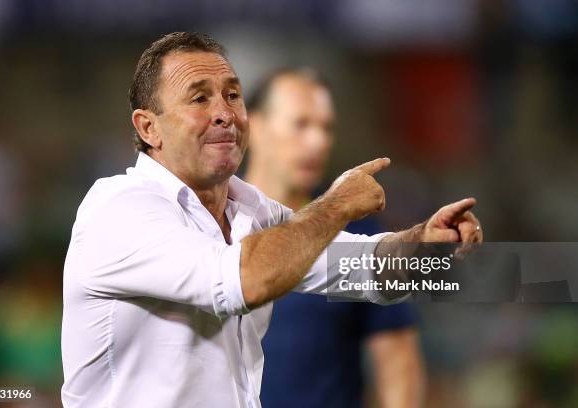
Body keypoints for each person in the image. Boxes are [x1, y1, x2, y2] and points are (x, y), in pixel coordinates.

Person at [61, 32, 483, 408]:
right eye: (199, 97)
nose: (225, 112)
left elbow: (363, 268)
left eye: (232, 95)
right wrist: (335, 205)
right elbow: (243, 281)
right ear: (149, 127)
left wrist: (423, 242)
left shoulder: (251, 209)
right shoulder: (118, 211)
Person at [245, 68, 424, 408]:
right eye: (301, 125)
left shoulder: (360, 234)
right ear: (255, 126)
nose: (318, 141)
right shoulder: (211, 224)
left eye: (326, 128)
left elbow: (397, 358)